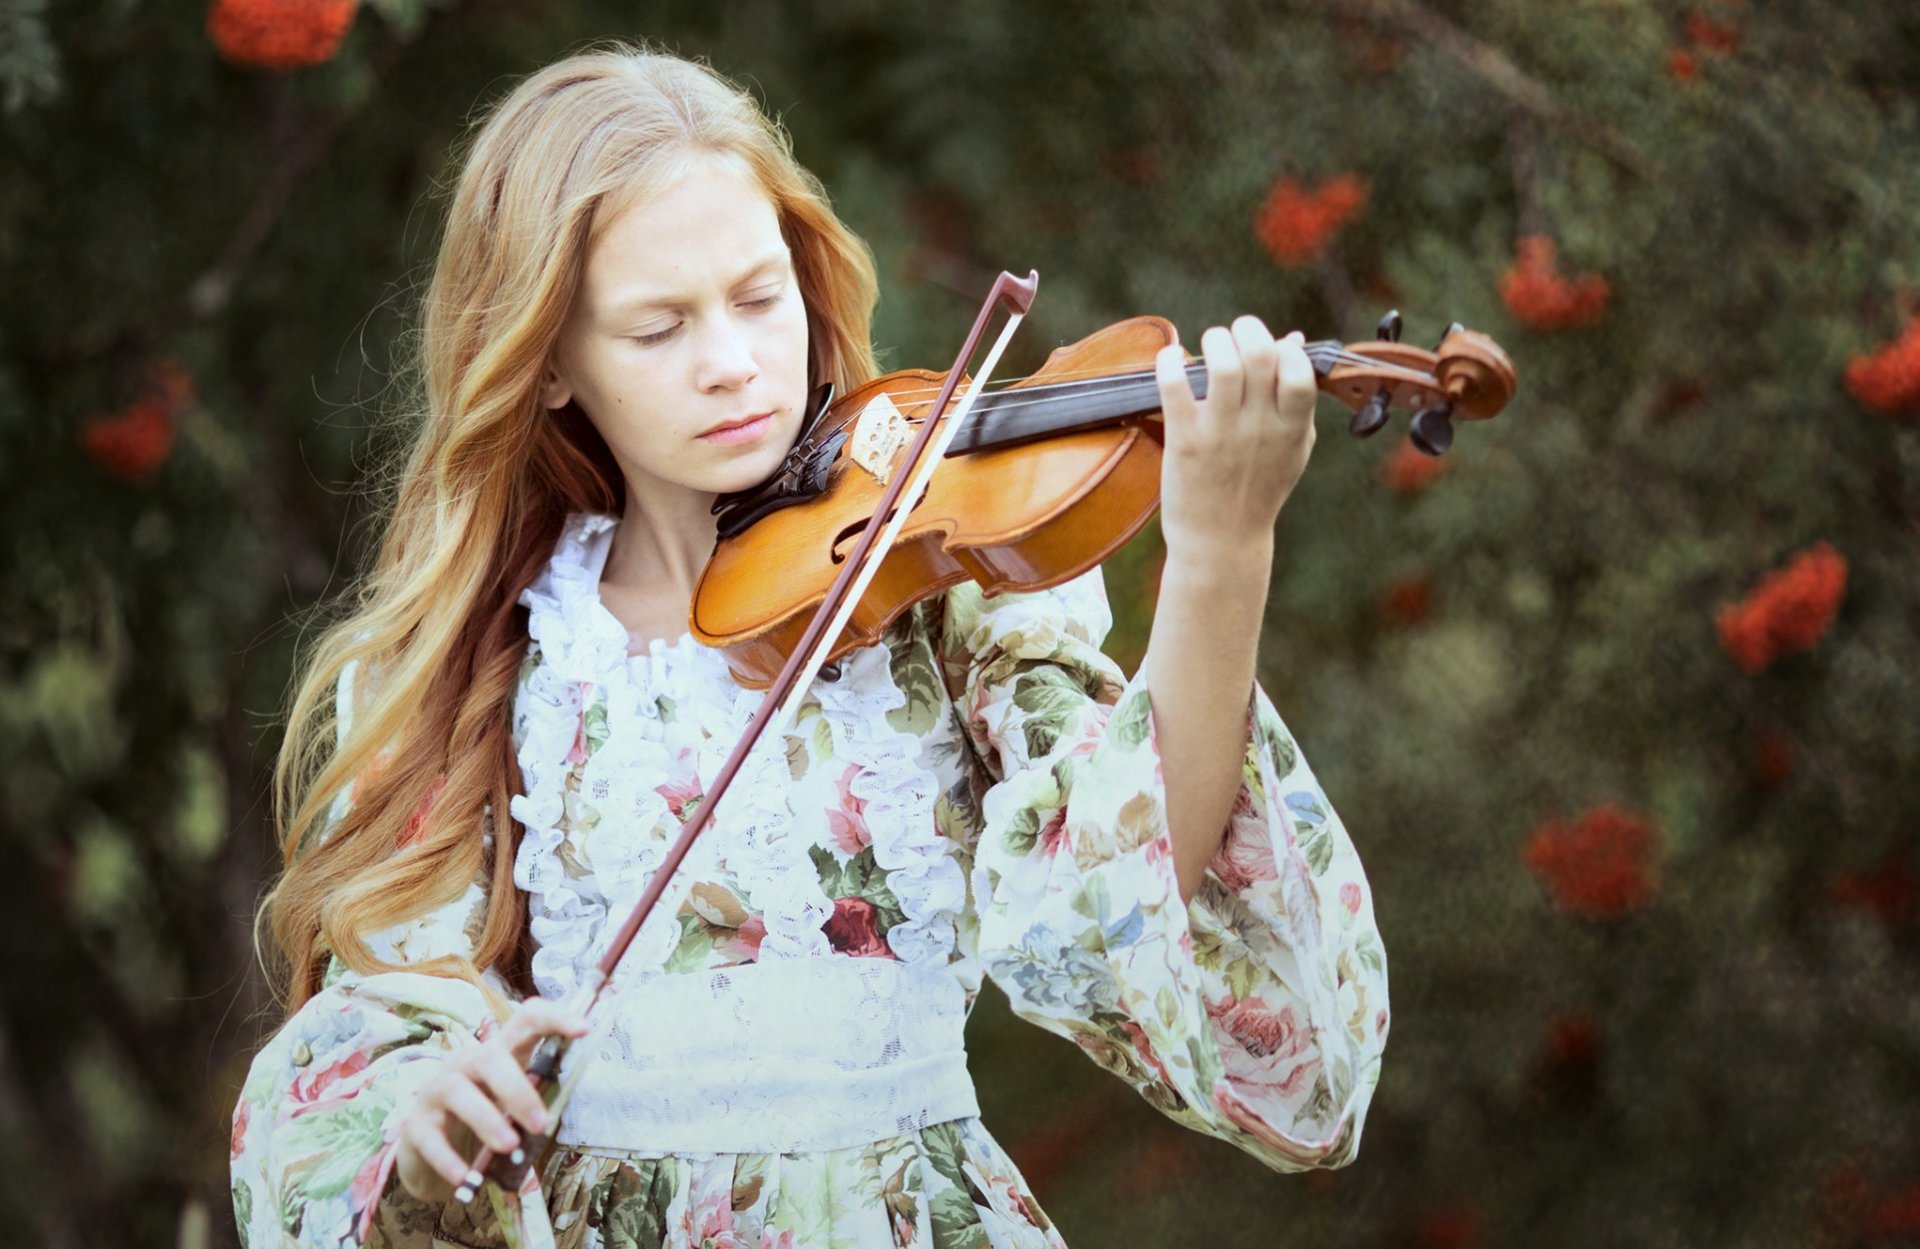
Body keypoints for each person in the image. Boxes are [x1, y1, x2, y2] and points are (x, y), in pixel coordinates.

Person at [230, 40, 1391, 1249]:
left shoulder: (940, 592)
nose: (730, 363)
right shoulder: (489, 662)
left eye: (756, 295)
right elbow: (384, 1032)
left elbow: (1113, 899)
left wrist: (1220, 554)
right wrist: (431, 1119)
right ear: (554, 364)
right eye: (656, 328)